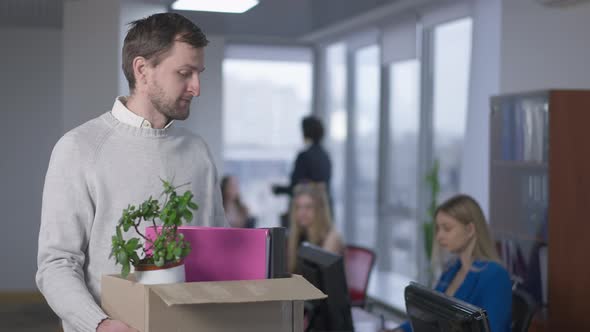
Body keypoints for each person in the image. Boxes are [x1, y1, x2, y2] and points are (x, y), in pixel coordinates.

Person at [36, 13, 226, 332]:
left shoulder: (198, 152)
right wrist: (99, 324)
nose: (196, 87)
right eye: (184, 73)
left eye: (198, 73)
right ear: (142, 70)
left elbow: (219, 249)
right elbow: (56, 264)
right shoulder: (79, 148)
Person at [385, 194, 512, 332]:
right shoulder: (451, 270)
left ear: (470, 229)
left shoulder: (495, 276)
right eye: (438, 229)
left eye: (447, 228)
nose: (439, 236)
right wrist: (399, 330)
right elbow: (428, 313)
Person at [272, 115, 332, 227]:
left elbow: (297, 187)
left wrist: (277, 189)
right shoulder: (325, 156)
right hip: (323, 212)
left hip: (306, 215)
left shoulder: (304, 156)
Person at [287, 182, 344, 273]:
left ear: (320, 210)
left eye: (308, 207)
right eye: (298, 207)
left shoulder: (332, 237)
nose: (302, 213)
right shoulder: (297, 236)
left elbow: (320, 277)